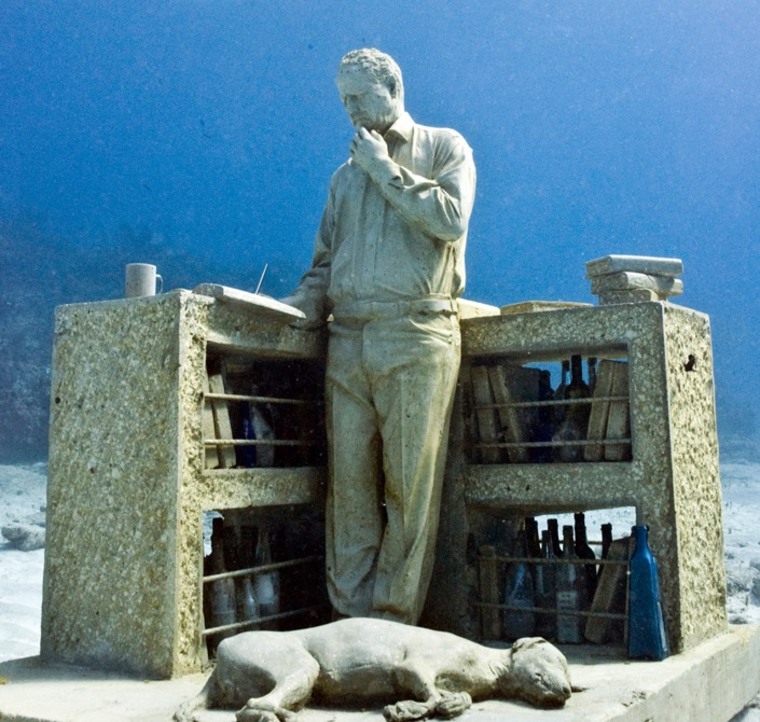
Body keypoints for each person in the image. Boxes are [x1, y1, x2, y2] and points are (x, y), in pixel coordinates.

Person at [281, 48, 476, 625]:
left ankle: (391, 625)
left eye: (360, 97)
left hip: (417, 334)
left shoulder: (445, 147)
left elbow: (450, 218)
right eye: (343, 99)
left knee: (409, 489)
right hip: (348, 340)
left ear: (393, 88)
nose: (350, 110)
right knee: (349, 493)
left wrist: (382, 168)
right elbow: (323, 267)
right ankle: (349, 626)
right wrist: (287, 309)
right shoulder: (343, 179)